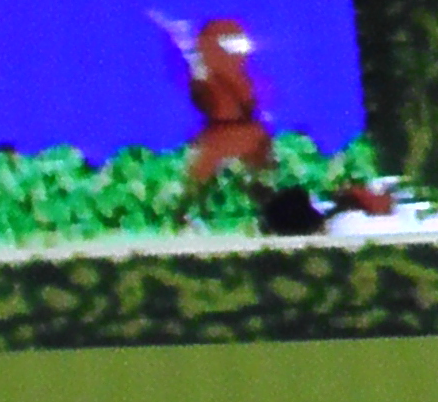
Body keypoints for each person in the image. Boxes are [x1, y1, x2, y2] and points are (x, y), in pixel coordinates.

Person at [149, 12, 393, 235]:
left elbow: (364, 198)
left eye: (246, 62)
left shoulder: (299, 154)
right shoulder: (161, 175)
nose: (251, 76)